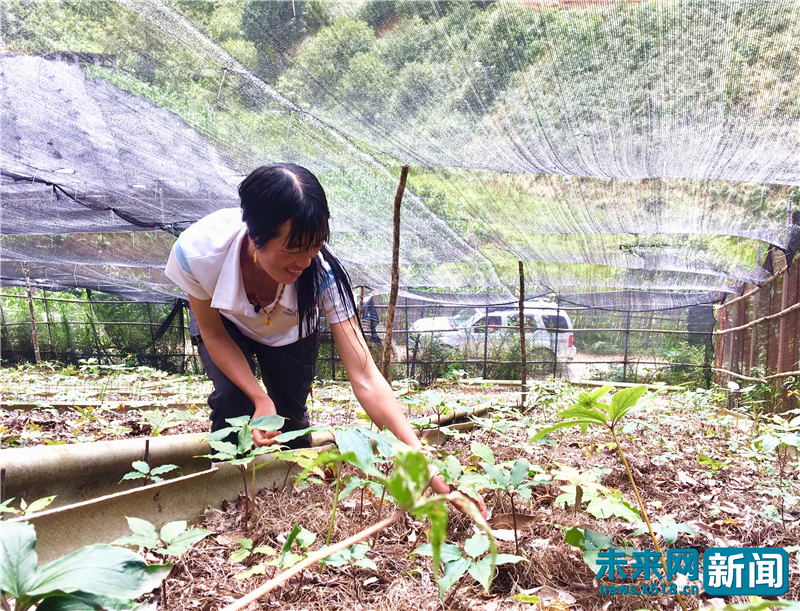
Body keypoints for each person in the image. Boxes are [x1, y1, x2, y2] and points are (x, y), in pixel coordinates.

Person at [165, 164, 483, 516]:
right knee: (232, 402)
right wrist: (259, 397)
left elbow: (365, 374)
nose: (304, 261)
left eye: (315, 245)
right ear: (256, 237)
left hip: (288, 333)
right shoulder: (198, 254)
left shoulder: (321, 272)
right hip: (227, 326)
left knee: (290, 420)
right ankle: (224, 505)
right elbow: (213, 333)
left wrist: (422, 460)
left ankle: (290, 503)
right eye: (293, 248)